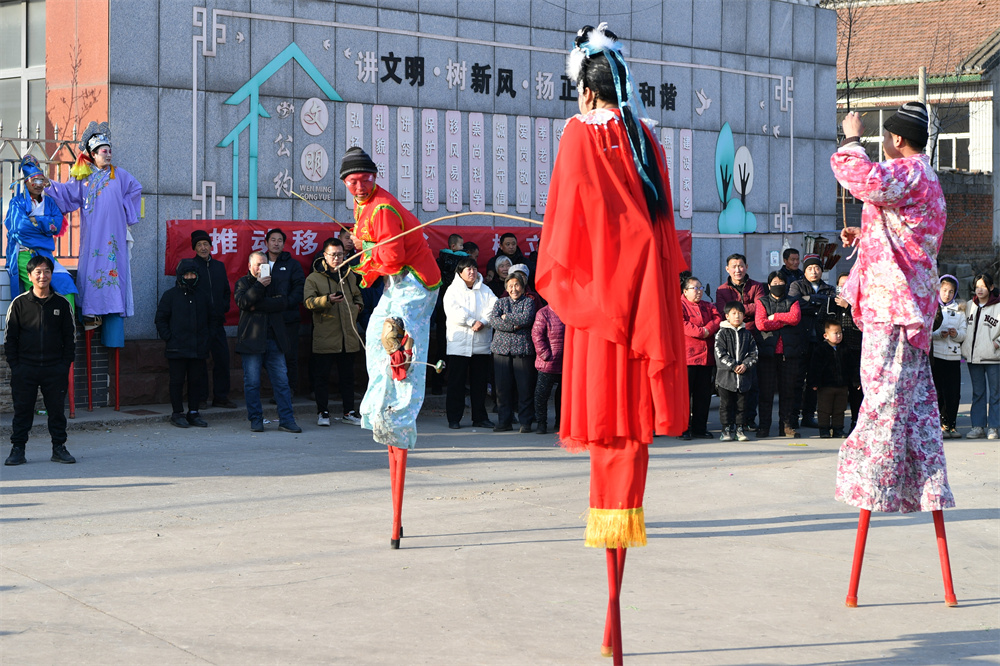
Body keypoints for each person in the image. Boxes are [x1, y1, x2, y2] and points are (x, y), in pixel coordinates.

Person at [535, 23, 688, 661]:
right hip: (644, 306)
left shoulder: (579, 135)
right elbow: (658, 226)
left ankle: (613, 616)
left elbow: (565, 232)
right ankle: (613, 610)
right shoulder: (645, 137)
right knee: (630, 435)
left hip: (602, 313)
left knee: (607, 430)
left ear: (586, 93)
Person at [831, 103, 954, 513]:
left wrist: (852, 137)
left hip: (894, 305)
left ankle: (871, 486)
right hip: (910, 304)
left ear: (897, 139)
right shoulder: (926, 178)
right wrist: (866, 234)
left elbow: (859, 177)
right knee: (914, 403)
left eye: (886, 139)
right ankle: (925, 485)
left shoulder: (909, 171)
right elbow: (905, 234)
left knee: (882, 397)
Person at [342, 146, 441, 550]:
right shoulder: (362, 209)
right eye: (353, 180)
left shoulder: (381, 208)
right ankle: (382, 402)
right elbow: (376, 254)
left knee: (394, 338)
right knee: (375, 340)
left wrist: (361, 262)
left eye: (365, 178)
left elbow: (394, 259)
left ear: (374, 177)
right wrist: (359, 257)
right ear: (347, 185)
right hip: (397, 281)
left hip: (414, 282)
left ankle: (397, 411)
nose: (360, 184)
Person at [46, 121, 141, 327]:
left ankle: (114, 307)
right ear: (93, 154)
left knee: (114, 266)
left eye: (109, 151)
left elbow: (135, 190)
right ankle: (91, 310)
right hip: (93, 233)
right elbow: (66, 194)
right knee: (93, 263)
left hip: (114, 232)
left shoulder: (121, 175)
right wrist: (48, 185)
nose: (108, 154)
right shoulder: (83, 178)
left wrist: (124, 208)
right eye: (103, 151)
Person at [4, 256, 76, 466]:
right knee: (22, 411)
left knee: (56, 411)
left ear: (51, 275)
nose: (42, 276)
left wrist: (64, 366)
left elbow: (69, 339)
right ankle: (18, 449)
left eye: (46, 271)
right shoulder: (19, 304)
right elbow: (10, 339)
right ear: (30, 276)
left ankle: (59, 448)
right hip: (25, 368)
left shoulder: (62, 304)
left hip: (55, 369)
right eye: (38, 272)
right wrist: (16, 367)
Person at [234, 251, 302, 434]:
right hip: (252, 341)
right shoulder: (243, 283)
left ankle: (286, 420)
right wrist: (258, 287)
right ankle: (256, 419)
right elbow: (243, 302)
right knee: (252, 382)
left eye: (264, 265)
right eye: (258, 265)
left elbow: (282, 303)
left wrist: (257, 304)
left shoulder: (276, 282)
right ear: (250, 266)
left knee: (281, 382)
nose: (261, 268)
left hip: (274, 339)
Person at [3, 156, 78, 310]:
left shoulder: (49, 202)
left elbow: (57, 225)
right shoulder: (16, 202)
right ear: (26, 182)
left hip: (46, 254)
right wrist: (45, 225)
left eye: (41, 181)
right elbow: (19, 228)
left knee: (67, 286)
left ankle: (68, 331)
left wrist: (35, 221)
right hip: (25, 254)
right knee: (41, 289)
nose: (38, 185)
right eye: (34, 180)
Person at [304, 238, 364, 427]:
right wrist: (327, 300)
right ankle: (323, 412)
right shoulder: (314, 278)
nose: (337, 258)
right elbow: (308, 302)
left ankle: (349, 411)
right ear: (325, 255)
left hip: (348, 335)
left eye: (340, 254)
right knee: (322, 378)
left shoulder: (350, 275)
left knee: (348, 377)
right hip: (326, 335)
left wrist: (357, 307)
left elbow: (358, 296)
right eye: (333, 255)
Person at [154, 258, 210, 429]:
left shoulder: (202, 295)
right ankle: (177, 412)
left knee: (195, 381)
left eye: (193, 274)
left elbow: (211, 319)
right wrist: (169, 338)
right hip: (176, 348)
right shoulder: (170, 295)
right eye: (186, 274)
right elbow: (160, 319)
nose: (190, 277)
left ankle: (194, 412)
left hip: (198, 347)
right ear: (180, 276)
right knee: (176, 381)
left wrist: (206, 340)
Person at [443, 256, 497, 429]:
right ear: (460, 273)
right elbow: (452, 311)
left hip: (481, 344)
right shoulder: (452, 291)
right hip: (459, 345)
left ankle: (480, 417)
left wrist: (483, 321)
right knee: (456, 383)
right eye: (468, 269)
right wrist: (470, 321)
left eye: (474, 268)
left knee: (479, 384)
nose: (472, 272)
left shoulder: (486, 290)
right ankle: (454, 418)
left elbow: (494, 307)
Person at [715, 253, 764, 427]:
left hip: (750, 334)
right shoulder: (722, 290)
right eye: (734, 266)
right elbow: (722, 311)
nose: (738, 270)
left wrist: (736, 310)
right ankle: (731, 423)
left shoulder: (757, 286)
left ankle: (749, 420)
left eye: (741, 265)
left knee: (752, 383)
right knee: (730, 384)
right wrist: (745, 311)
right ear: (727, 269)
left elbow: (760, 307)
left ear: (746, 267)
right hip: (729, 338)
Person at [788, 253, 836, 428]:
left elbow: (832, 305)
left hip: (821, 339)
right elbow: (795, 304)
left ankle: (809, 415)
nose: (814, 271)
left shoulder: (828, 287)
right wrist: (817, 303)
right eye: (810, 268)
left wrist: (810, 300)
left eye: (817, 268)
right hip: (802, 338)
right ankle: (793, 416)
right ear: (805, 271)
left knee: (815, 380)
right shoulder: (796, 285)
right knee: (798, 379)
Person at [755, 272, 804, 438]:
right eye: (775, 282)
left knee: (788, 391)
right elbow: (761, 324)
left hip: (789, 353)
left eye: (781, 282)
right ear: (769, 286)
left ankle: (787, 426)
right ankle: (764, 426)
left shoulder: (793, 301)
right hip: (767, 353)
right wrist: (783, 322)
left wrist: (775, 317)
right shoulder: (762, 301)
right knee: (766, 392)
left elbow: (795, 317)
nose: (778, 284)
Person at [189, 229, 235, 409]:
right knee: (200, 362)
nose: (203, 248)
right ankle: (201, 398)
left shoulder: (219, 266)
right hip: (199, 323)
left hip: (217, 322)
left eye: (205, 244)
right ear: (194, 248)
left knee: (222, 360)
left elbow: (225, 290)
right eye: (199, 245)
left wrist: (223, 307)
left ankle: (221, 397)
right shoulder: (190, 266)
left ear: (210, 246)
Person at [489, 273, 537, 432]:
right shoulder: (500, 302)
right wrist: (513, 326)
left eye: (516, 285)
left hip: (522, 350)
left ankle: (526, 422)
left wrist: (506, 317)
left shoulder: (529, 302)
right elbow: (494, 321)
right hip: (501, 351)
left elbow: (526, 319)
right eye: (510, 285)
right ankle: (504, 421)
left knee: (524, 387)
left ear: (522, 287)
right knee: (502, 388)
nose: (513, 289)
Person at [262, 228, 306, 395]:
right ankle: (275, 390)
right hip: (266, 318)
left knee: (289, 355)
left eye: (279, 240)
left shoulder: (292, 264)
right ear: (266, 243)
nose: (276, 243)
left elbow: (299, 288)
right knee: (268, 356)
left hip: (288, 317)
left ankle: (289, 390)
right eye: (273, 240)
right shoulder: (261, 262)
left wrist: (284, 303)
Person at [681, 275, 721, 439]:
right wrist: (700, 332)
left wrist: (708, 330)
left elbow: (717, 318)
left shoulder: (707, 305)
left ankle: (699, 427)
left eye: (700, 288)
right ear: (685, 291)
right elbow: (682, 323)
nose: (698, 291)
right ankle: (683, 428)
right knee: (685, 395)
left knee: (703, 395)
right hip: (688, 356)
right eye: (694, 288)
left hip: (706, 356)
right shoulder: (679, 305)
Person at [961, 274, 1000, 439]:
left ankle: (994, 427)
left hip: (993, 357)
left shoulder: (998, 306)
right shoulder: (969, 306)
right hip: (973, 357)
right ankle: (978, 426)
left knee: (995, 393)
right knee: (978, 393)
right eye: (977, 287)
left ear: (991, 288)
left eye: (983, 286)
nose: (980, 290)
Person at [714, 302, 758, 442]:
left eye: (740, 313)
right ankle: (726, 429)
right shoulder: (722, 333)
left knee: (742, 405)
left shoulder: (747, 334)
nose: (737, 316)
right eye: (733, 313)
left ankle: (740, 428)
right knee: (726, 405)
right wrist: (733, 366)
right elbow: (719, 353)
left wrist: (745, 365)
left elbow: (754, 353)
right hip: (726, 379)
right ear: (727, 316)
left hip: (744, 379)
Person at [826, 273, 864, 432]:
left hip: (855, 351)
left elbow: (863, 323)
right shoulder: (830, 303)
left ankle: (856, 422)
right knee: (837, 390)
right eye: (840, 285)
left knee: (856, 390)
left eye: (847, 284)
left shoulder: (859, 303)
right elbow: (822, 322)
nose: (843, 288)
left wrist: (848, 307)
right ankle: (834, 425)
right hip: (835, 353)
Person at [431, 234, 468, 395]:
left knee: (442, 349)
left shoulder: (439, 262)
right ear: (453, 246)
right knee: (453, 350)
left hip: (443, 313)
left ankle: (437, 383)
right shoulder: (463, 263)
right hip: (454, 312)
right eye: (461, 246)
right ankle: (450, 383)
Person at [930, 276, 966, 439]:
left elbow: (964, 333)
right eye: (944, 290)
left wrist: (956, 334)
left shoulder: (960, 310)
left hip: (952, 357)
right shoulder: (932, 307)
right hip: (936, 355)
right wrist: (938, 334)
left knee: (953, 392)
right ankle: (940, 424)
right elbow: (927, 332)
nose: (947, 294)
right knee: (938, 392)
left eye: (951, 291)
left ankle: (951, 424)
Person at [809, 320, 849, 438]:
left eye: (840, 333)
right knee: (824, 409)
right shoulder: (820, 349)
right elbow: (814, 368)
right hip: (825, 385)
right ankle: (824, 429)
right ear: (826, 335)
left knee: (840, 409)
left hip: (841, 385)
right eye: (835, 333)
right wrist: (814, 382)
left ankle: (838, 429)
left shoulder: (845, 349)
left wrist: (854, 380)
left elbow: (850, 366)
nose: (839, 336)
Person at [532, 302, 565, 435]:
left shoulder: (569, 311)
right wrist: (546, 355)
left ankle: (560, 422)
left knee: (563, 395)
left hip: (566, 362)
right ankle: (541, 423)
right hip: (548, 363)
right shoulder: (543, 313)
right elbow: (537, 336)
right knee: (541, 394)